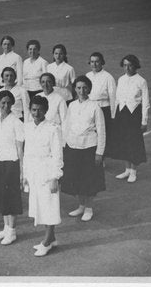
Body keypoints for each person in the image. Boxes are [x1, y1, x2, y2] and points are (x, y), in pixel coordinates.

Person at [60, 76, 106, 221]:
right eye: (79, 88)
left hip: (89, 148)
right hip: (73, 147)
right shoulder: (72, 105)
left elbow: (101, 130)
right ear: (75, 89)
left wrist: (99, 152)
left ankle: (89, 208)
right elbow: (66, 127)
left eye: (85, 87)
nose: (81, 90)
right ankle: (81, 206)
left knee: (89, 180)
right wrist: (64, 146)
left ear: (89, 89)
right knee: (76, 178)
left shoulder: (95, 107)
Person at [23, 95, 63, 257]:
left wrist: (55, 177)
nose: (36, 112)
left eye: (40, 110)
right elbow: (27, 153)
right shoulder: (27, 127)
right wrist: (25, 174)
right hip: (33, 172)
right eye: (33, 109)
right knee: (39, 205)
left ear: (46, 110)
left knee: (49, 206)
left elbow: (57, 155)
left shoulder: (53, 128)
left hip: (48, 172)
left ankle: (47, 241)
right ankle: (51, 238)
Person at [0, 90, 24, 245]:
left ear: (12, 104)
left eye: (8, 103)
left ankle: (12, 231)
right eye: (2, 103)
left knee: (11, 197)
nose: (5, 105)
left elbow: (20, 148)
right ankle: (5, 228)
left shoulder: (17, 122)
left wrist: (22, 170)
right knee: (1, 196)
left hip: (12, 162)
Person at [109, 54, 150, 183]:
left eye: (130, 65)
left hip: (134, 115)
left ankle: (133, 171)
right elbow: (117, 99)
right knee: (124, 141)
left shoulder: (141, 81)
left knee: (134, 142)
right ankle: (127, 169)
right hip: (122, 114)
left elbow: (146, 103)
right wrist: (114, 115)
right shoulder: (120, 79)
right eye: (125, 65)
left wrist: (144, 121)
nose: (127, 68)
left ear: (135, 66)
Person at [86, 52, 116, 157]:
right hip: (90, 108)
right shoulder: (87, 76)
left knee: (102, 133)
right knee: (90, 132)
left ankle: (102, 158)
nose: (94, 64)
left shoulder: (108, 77)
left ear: (102, 62)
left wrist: (113, 115)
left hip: (104, 109)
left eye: (97, 62)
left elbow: (113, 98)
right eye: (92, 62)